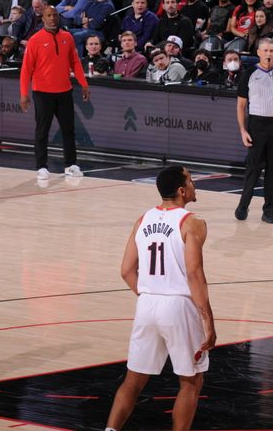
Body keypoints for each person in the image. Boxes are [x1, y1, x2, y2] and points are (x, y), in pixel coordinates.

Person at [104, 166, 216, 431]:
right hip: (178, 306)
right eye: (190, 180)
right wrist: (208, 322)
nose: (193, 184)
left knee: (133, 380)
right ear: (181, 190)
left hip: (147, 304)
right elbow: (195, 275)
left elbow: (126, 271)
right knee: (190, 380)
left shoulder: (143, 219)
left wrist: (150, 293)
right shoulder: (193, 223)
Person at [19, 6, 89, 180]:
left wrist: (84, 83)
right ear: (43, 18)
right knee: (42, 131)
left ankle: (71, 165)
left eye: (55, 15)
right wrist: (24, 94)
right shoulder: (35, 40)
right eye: (49, 15)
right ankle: (41, 167)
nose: (52, 18)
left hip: (64, 91)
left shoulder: (67, 37)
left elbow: (76, 62)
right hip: (42, 92)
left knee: (69, 130)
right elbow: (26, 70)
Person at [235, 39, 273, 224]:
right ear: (259, 52)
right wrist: (243, 130)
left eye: (272, 50)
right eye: (265, 50)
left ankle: (269, 211)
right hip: (256, 125)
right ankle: (243, 206)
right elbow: (240, 105)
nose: (269, 53)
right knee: (253, 169)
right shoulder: (249, 73)